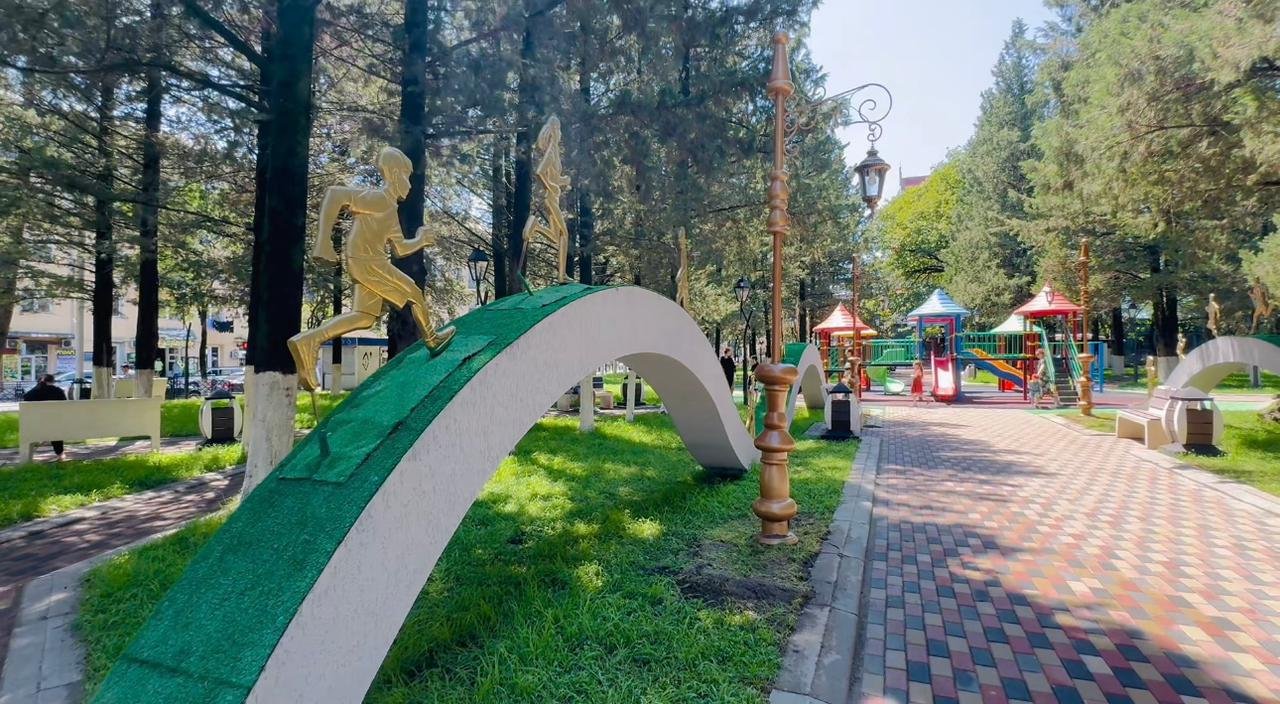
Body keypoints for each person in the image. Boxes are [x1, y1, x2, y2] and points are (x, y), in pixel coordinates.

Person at [23, 374, 67, 460]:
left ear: (41, 382)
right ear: (53, 381)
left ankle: (27, 456)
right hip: (55, 424)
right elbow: (64, 405)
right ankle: (60, 453)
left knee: (51, 424)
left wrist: (39, 385)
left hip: (37, 425)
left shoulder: (35, 391)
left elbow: (26, 397)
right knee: (55, 426)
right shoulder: (58, 391)